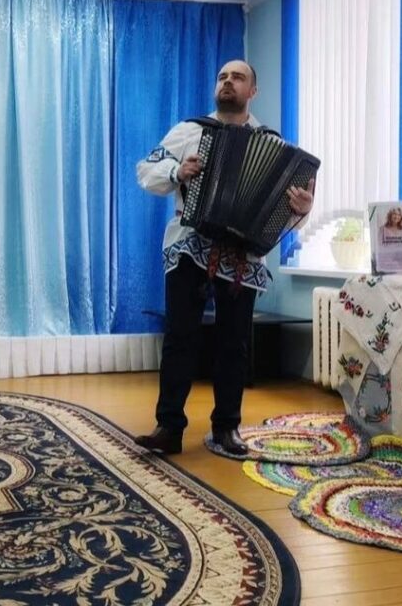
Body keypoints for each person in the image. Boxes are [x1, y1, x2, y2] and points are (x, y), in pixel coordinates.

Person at [133, 60, 314, 456]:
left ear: (253, 91)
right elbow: (145, 170)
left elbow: (283, 217)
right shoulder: (190, 131)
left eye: (237, 77)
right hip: (189, 245)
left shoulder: (274, 145)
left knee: (235, 344)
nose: (227, 82)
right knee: (180, 337)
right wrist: (177, 171)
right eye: (222, 77)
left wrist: (303, 209)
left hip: (242, 257)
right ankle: (169, 427)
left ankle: (227, 428)